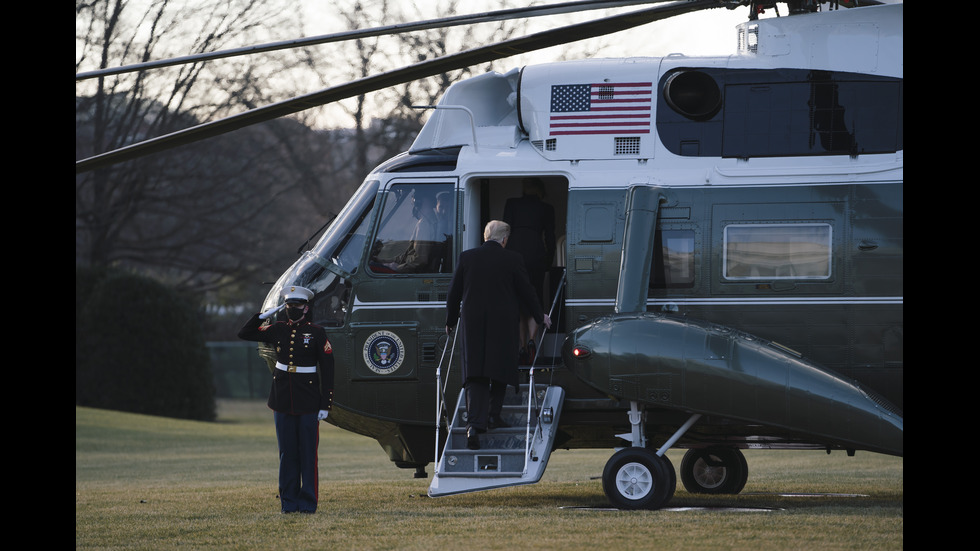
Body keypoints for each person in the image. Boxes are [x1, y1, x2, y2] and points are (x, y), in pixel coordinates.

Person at [445, 220, 551, 450]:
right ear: (504, 239)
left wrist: (450, 321)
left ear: (485, 236)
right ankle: (493, 415)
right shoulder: (513, 259)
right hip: (503, 322)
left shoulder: (467, 257)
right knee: (500, 367)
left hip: (473, 323)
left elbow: (453, 294)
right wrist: (539, 315)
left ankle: (474, 425)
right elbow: (527, 291)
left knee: (476, 372)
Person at [238, 285, 335, 514]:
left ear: (306, 307)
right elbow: (245, 333)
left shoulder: (317, 332)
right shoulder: (277, 328)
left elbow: (328, 370)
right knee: (287, 454)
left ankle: (308, 503)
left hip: (309, 401)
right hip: (282, 399)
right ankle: (288, 503)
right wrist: (264, 315)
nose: (292, 309)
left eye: (297, 306)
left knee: (308, 455)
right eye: (289, 305)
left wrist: (325, 405)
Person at [503, 178, 556, 360]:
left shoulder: (512, 204)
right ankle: (533, 339)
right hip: (536, 254)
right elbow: (550, 237)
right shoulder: (547, 209)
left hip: (514, 252)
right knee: (535, 297)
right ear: (541, 191)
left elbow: (505, 230)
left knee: (517, 301)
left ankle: (522, 345)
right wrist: (548, 261)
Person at [382, 190, 440, 273]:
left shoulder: (424, 224)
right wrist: (386, 260)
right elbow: (410, 253)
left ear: (418, 202)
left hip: (413, 273)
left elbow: (420, 259)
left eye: (414, 199)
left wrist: (398, 268)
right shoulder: (432, 220)